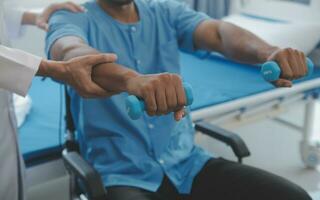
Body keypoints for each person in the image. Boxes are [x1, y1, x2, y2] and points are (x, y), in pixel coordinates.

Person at [46, 0, 312, 199]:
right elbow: (70, 53)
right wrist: (132, 80)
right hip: (121, 174)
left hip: (187, 163)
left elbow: (218, 32)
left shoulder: (165, 12)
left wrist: (269, 52)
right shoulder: (72, 17)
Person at [0, 1, 117, 200]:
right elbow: (69, 48)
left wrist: (32, 16)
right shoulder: (73, 19)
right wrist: (54, 68)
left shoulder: (162, 11)